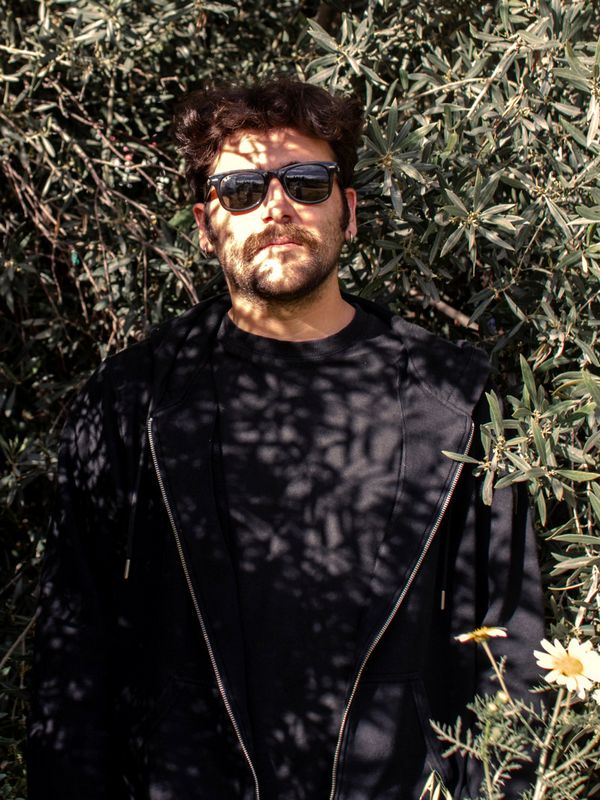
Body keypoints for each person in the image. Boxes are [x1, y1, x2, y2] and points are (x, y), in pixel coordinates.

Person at [27, 78, 543, 800]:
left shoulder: (453, 398)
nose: (276, 208)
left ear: (349, 211)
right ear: (205, 225)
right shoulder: (131, 401)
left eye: (305, 183)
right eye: (242, 190)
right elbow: (72, 653)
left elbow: (508, 640)